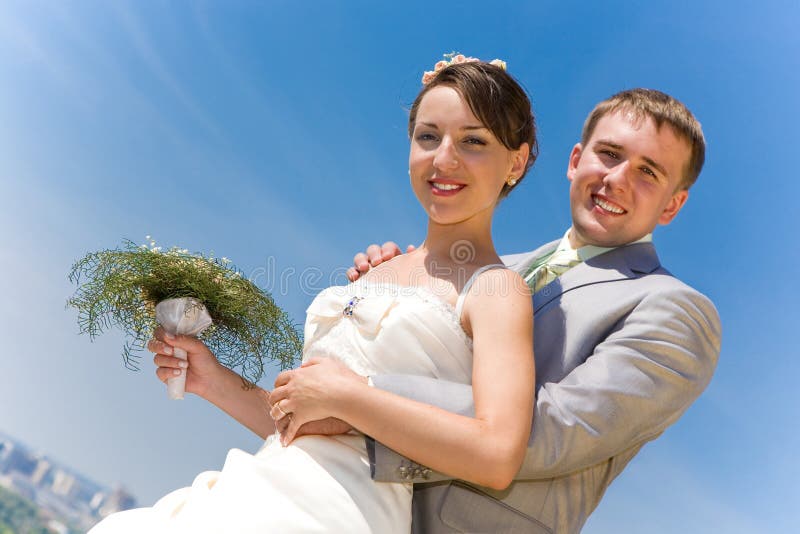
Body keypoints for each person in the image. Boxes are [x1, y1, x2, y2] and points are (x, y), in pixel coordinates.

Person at [90, 57, 539, 533]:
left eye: (473, 141)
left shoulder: (496, 288)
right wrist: (214, 380)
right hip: (257, 485)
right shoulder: (378, 267)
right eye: (429, 136)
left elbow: (496, 455)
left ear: (515, 161)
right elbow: (308, 422)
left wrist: (348, 395)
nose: (443, 158)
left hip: (335, 516)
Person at [272, 88, 722, 533]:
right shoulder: (487, 268)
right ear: (575, 160)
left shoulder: (674, 311)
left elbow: (551, 429)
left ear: (673, 205)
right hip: (346, 506)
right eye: (609, 153)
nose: (617, 179)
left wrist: (356, 398)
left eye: (648, 172)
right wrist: (394, 288)